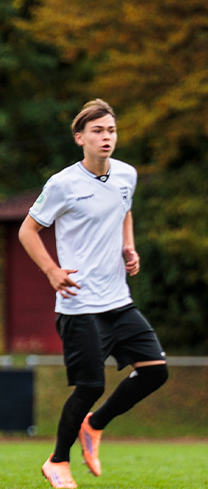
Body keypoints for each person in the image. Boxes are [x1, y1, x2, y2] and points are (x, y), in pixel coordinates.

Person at [19, 99, 168, 489]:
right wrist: (51, 270)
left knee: (155, 372)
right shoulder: (63, 184)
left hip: (118, 300)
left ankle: (94, 425)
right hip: (79, 303)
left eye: (111, 130)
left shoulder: (126, 175)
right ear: (79, 138)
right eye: (98, 131)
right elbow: (26, 231)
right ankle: (57, 461)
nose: (106, 137)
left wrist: (128, 245)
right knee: (91, 386)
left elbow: (124, 210)